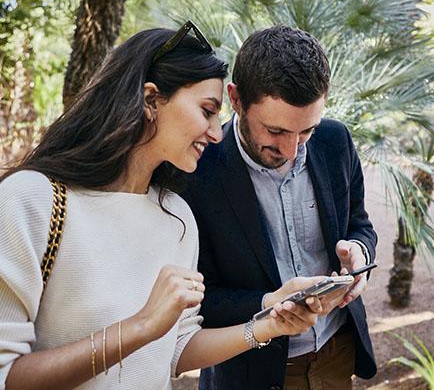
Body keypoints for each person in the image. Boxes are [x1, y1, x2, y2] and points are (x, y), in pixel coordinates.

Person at [0, 22, 327, 390]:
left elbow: (177, 349)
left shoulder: (177, 217)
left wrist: (269, 323)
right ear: (151, 99)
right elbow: (7, 375)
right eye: (207, 110)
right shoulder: (32, 201)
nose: (217, 133)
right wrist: (140, 326)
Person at [182, 25, 378, 390]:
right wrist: (268, 303)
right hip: (249, 372)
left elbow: (359, 223)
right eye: (275, 131)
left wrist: (359, 253)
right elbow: (196, 299)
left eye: (306, 131)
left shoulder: (335, 140)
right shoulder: (196, 171)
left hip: (337, 352)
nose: (292, 150)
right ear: (236, 100)